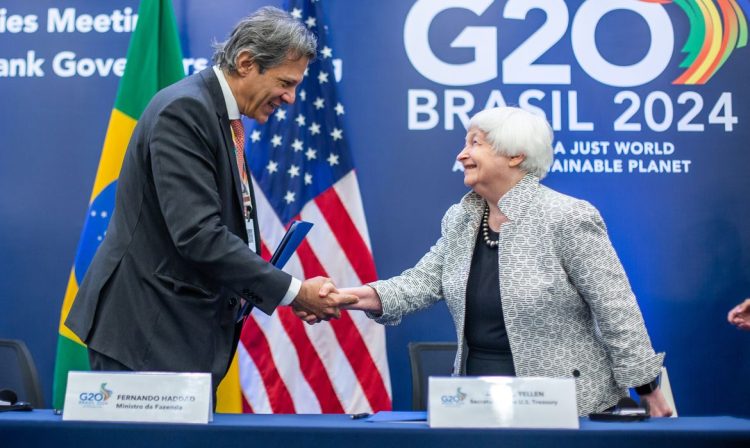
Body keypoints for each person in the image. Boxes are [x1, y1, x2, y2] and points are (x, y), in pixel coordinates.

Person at [308, 106, 672, 416]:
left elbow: (615, 308)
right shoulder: (461, 219)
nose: (461, 154)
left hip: (566, 408)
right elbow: (417, 284)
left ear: (515, 156)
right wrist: (348, 297)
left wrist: (647, 387)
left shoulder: (567, 216)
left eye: (475, 143)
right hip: (477, 402)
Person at [66, 7, 355, 393]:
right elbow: (199, 236)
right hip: (147, 335)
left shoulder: (217, 115)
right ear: (247, 63)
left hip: (177, 334)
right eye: (286, 82)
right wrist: (294, 291)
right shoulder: (185, 112)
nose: (290, 98)